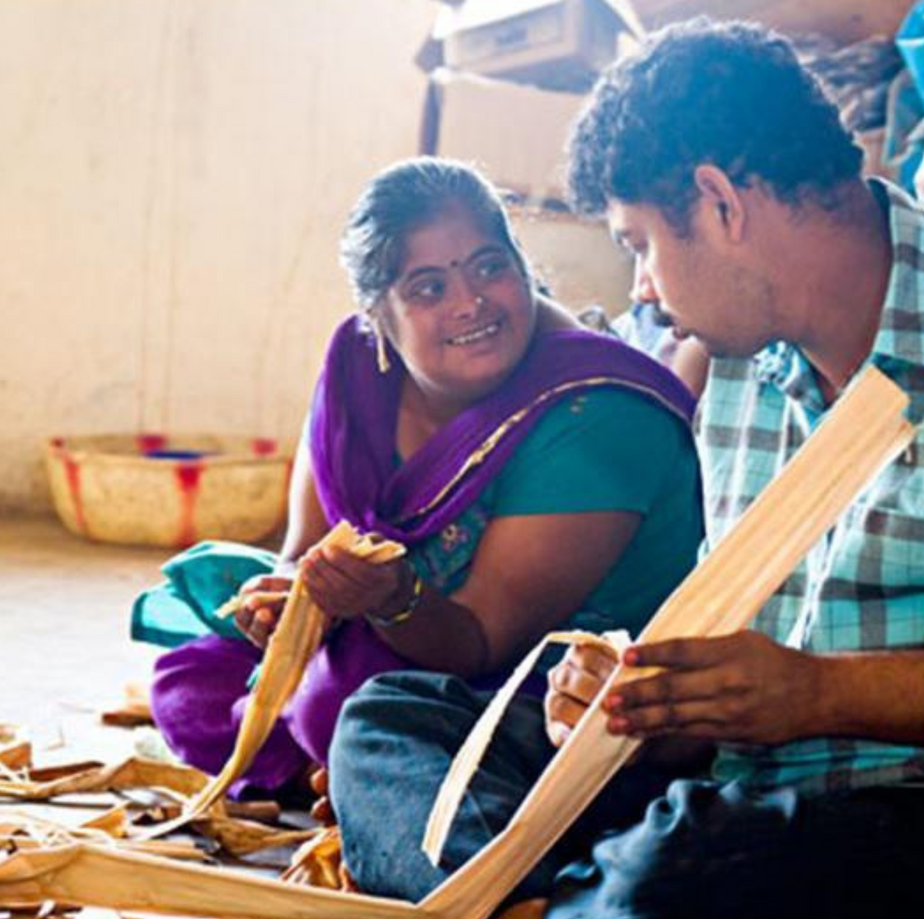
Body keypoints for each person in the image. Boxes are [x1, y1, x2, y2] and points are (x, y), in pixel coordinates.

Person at [331, 20, 924, 919]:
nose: (643, 287)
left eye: (639, 246)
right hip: (729, 798)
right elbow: (726, 684)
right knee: (397, 724)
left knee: (722, 850)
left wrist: (816, 695)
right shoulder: (743, 372)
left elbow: (795, 701)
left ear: (719, 204)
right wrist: (643, 704)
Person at [135, 157, 703, 801]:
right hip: (395, 634)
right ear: (379, 315)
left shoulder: (596, 409)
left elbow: (482, 637)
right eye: (428, 288)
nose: (470, 304)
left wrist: (389, 598)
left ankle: (349, 773)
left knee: (347, 701)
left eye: (490, 266)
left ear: (522, 266)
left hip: (545, 677)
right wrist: (290, 604)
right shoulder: (358, 372)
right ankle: (335, 772)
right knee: (191, 673)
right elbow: (304, 551)